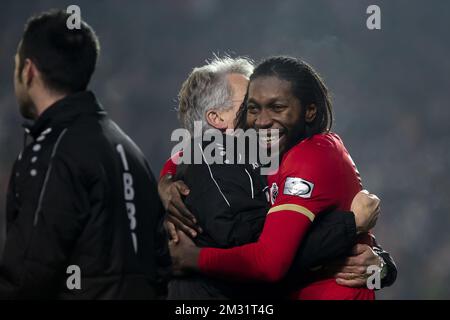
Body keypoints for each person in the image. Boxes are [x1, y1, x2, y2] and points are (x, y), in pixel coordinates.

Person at [160, 57, 397, 299]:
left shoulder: (289, 156)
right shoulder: (222, 168)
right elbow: (267, 258)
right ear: (218, 119)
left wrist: (381, 264)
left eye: (273, 106)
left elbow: (277, 250)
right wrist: (350, 224)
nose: (260, 119)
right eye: (250, 107)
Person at [0, 10, 167, 299]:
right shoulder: (129, 150)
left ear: (28, 70)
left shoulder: (53, 152)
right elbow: (160, 265)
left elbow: (27, 275)